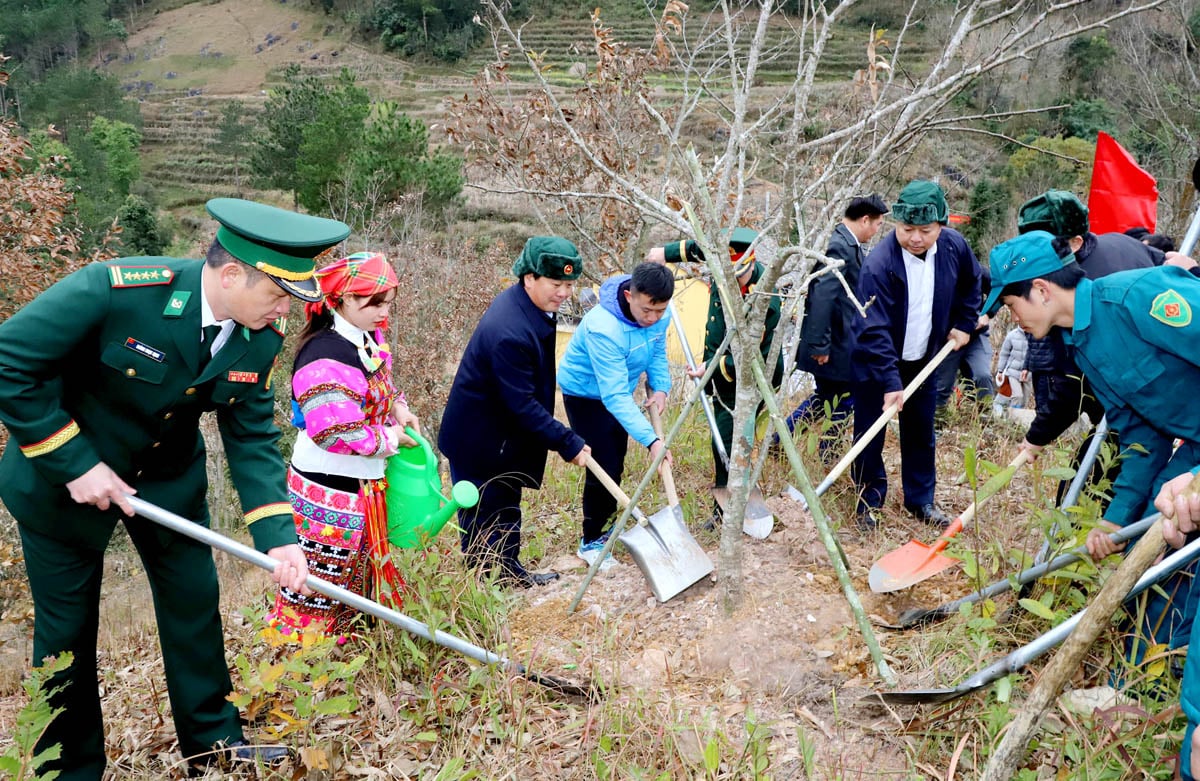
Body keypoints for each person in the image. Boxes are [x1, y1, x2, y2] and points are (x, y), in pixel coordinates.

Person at [0, 197, 350, 778]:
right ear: (233, 273)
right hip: (59, 481)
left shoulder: (258, 336)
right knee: (67, 633)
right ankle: (68, 768)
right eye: (279, 293)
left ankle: (214, 742)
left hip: (166, 484)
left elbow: (251, 434)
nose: (284, 309)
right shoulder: (116, 291)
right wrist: (75, 462)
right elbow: (8, 359)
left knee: (193, 603)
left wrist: (278, 537)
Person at [987, 231, 1200, 711]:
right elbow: (1140, 434)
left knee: (1175, 560)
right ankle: (1139, 687)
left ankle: (1144, 695)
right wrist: (1116, 517)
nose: (1013, 320)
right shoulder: (1081, 345)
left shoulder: (1137, 299)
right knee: (1156, 556)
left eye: (1011, 305)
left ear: (1041, 290)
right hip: (1193, 449)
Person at [266, 252, 421, 643]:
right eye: (374, 303)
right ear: (341, 300)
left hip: (364, 485)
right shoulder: (321, 357)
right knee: (316, 582)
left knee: (357, 576)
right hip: (328, 489)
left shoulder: (366, 336)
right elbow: (334, 432)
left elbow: (382, 380)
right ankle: (298, 666)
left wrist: (398, 407)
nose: (383, 312)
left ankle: (348, 660)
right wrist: (389, 439)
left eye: (387, 302)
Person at [439, 237, 591, 588]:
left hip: (499, 435)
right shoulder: (510, 330)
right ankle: (485, 587)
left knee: (505, 506)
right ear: (529, 278)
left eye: (569, 284)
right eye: (556, 284)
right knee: (483, 514)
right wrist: (567, 441)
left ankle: (507, 572)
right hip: (481, 438)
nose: (564, 292)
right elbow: (520, 404)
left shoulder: (529, 307)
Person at [850, 180, 981, 531]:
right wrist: (891, 382)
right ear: (896, 224)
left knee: (921, 431)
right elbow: (873, 329)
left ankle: (920, 499)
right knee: (869, 432)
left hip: (925, 357)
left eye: (926, 230)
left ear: (942, 225)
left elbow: (973, 284)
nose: (916, 238)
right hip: (876, 361)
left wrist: (965, 322)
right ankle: (868, 500)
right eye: (908, 229)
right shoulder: (879, 264)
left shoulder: (954, 248)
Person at [1014, 190, 1162, 489]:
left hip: (1136, 412)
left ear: (1075, 242)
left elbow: (1074, 381)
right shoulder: (1122, 243)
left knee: (1085, 493)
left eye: (1042, 249)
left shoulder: (1082, 293)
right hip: (1132, 407)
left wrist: (1037, 437)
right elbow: (1168, 261)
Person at [648, 227, 784, 518]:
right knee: (725, 437)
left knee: (727, 437)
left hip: (749, 376)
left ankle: (725, 512)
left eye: (738, 276)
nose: (731, 284)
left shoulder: (765, 298)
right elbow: (700, 247)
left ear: (750, 262)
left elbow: (749, 357)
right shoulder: (725, 265)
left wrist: (710, 369)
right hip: (720, 369)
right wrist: (664, 254)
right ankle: (728, 503)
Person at [558, 262, 674, 569]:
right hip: (586, 393)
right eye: (647, 310)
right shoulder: (603, 327)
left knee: (616, 459)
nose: (653, 318)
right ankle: (591, 542)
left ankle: (605, 528)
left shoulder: (660, 317)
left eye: (659, 311)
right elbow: (614, 396)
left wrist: (660, 388)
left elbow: (657, 352)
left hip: (618, 388)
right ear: (629, 295)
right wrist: (652, 441)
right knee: (604, 464)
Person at [787, 195, 890, 450]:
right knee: (843, 399)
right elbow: (823, 295)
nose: (877, 231)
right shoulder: (840, 246)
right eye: (877, 225)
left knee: (828, 398)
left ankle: (784, 438)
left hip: (840, 341)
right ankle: (826, 451)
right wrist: (820, 345)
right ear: (865, 220)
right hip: (834, 345)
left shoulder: (848, 243)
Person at [934, 267, 995, 420]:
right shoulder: (936, 272)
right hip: (948, 340)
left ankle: (985, 419)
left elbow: (998, 290)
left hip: (975, 336)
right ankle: (937, 424)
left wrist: (987, 313)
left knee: (982, 375)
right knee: (942, 385)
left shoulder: (978, 271)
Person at [992, 325, 1030, 418]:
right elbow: (1004, 354)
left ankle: (1014, 420)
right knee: (1017, 396)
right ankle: (1011, 419)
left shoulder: (1035, 335)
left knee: (1024, 400)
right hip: (1012, 372)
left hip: (1028, 374)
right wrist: (1000, 370)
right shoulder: (1012, 335)